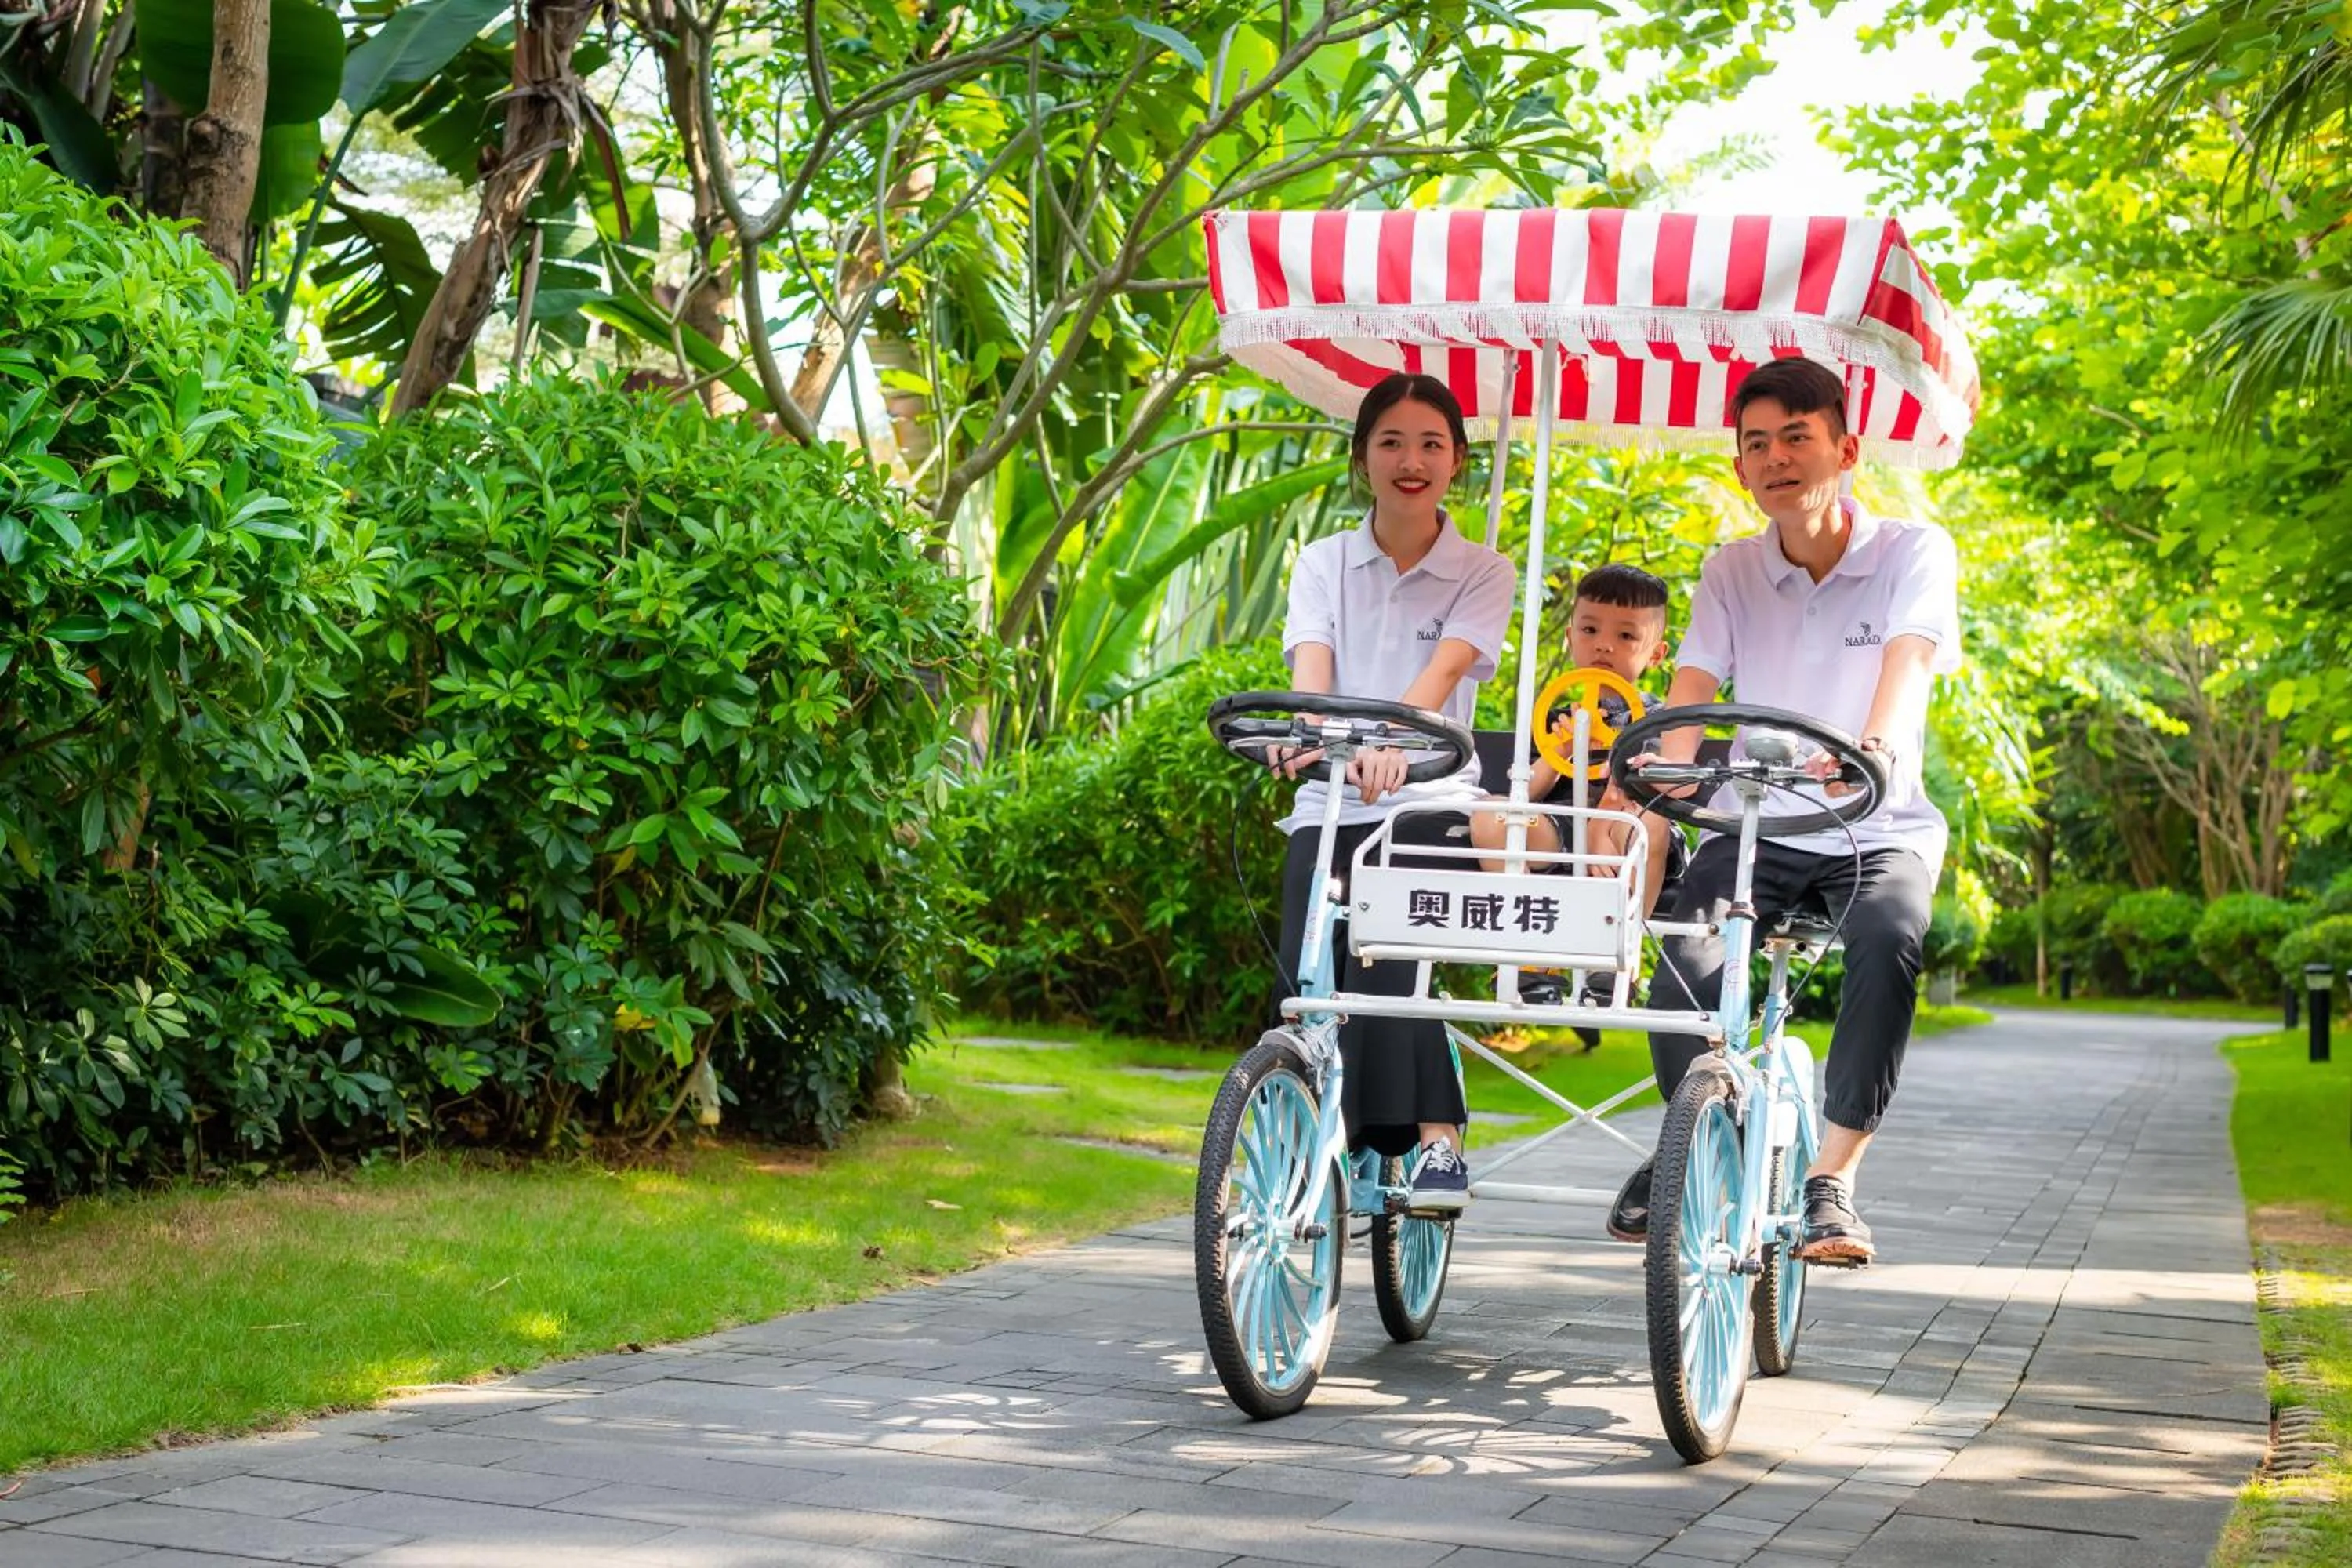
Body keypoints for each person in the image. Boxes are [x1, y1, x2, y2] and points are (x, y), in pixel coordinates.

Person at [1607, 356, 1961, 1265]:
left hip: (1873, 824)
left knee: (1888, 940)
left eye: (1796, 437)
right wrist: (1668, 767)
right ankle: (1696, 1136)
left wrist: (1873, 750)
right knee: (1681, 951)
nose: (1777, 458)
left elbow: (1909, 664)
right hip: (1759, 818)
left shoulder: (1912, 553)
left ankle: (1831, 1180)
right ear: (1739, 467)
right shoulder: (1730, 569)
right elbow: (1691, 693)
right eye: (1756, 443)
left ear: (1845, 448)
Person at [1265, 372, 1516, 1211]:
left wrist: (1393, 746)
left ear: (1457, 464)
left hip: (1431, 796)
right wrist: (1301, 738)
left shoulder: (1483, 570)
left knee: (1386, 950)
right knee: (1305, 981)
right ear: (1361, 458)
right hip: (1333, 797)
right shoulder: (1322, 561)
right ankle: (1314, 1132)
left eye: (1432, 444)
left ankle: (1435, 1141)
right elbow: (1312, 679)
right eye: (1392, 442)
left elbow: (1440, 680)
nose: (1412, 460)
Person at [1467, 563, 1677, 915]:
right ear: (1570, 638)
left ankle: (1621, 953)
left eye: (1626, 636)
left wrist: (1599, 829)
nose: (1604, 645)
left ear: (1655, 654)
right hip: (1560, 826)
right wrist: (1560, 749)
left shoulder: (1658, 720)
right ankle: (1530, 949)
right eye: (1590, 630)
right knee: (1490, 816)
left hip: (1624, 828)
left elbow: (1644, 790)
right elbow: (1525, 795)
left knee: (1649, 822)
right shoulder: (1552, 717)